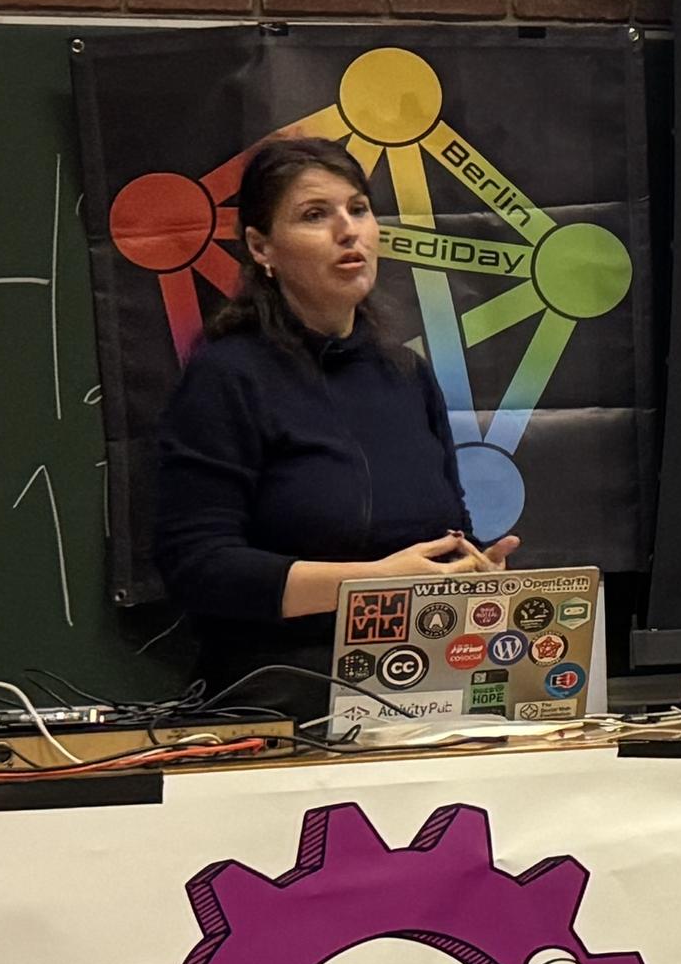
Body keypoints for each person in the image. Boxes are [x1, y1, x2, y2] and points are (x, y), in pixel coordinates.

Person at [152, 133, 515, 716]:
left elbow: (449, 530)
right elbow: (199, 567)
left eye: (359, 209)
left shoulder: (405, 374)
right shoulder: (227, 377)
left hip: (425, 698)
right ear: (261, 247)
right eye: (315, 215)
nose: (349, 231)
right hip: (278, 705)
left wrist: (473, 569)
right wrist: (367, 585)